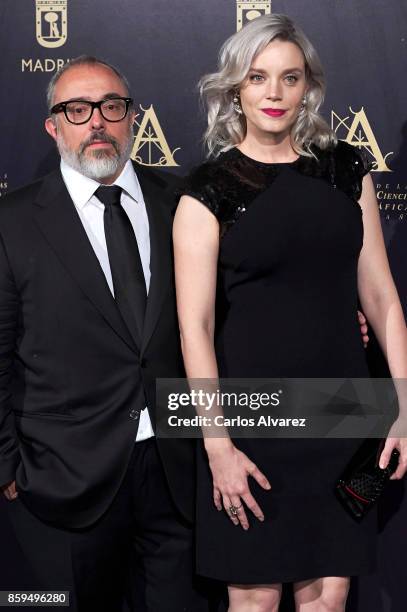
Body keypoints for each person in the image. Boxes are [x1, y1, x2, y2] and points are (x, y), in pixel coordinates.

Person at [173, 14, 407, 612]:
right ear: (235, 90)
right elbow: (194, 328)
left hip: (342, 411)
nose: (274, 93)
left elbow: (380, 297)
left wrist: (404, 406)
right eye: (257, 78)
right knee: (253, 601)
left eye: (289, 77)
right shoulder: (207, 190)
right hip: (251, 420)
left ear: (308, 87)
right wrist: (217, 442)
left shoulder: (346, 172)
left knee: (328, 600)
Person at [0, 55, 211, 612]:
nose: (96, 121)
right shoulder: (13, 221)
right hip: (64, 482)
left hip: (178, 474)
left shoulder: (183, 202)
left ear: (133, 118)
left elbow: (224, 312)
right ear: (53, 126)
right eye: (77, 109)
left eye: (111, 106)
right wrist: (8, 470)